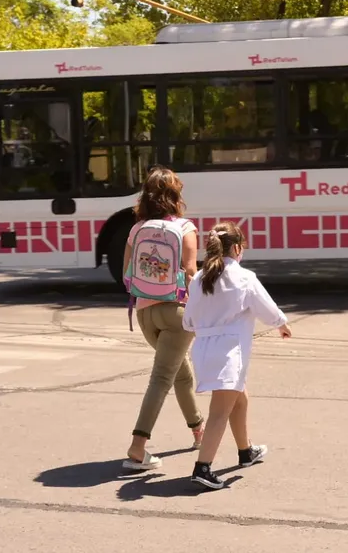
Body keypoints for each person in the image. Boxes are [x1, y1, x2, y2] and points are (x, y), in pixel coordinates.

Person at [181, 221, 291, 490]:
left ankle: (245, 451)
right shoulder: (243, 277)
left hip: (204, 349)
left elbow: (188, 321)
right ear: (238, 248)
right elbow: (266, 307)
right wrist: (281, 324)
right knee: (220, 412)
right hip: (230, 352)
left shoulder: (198, 279)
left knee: (239, 398)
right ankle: (203, 467)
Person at [121, 166, 205, 471]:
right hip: (176, 313)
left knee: (180, 373)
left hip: (145, 315)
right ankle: (137, 446)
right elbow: (192, 273)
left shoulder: (136, 229)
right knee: (161, 379)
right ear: (175, 196)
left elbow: (126, 275)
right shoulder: (185, 228)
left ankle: (199, 431)